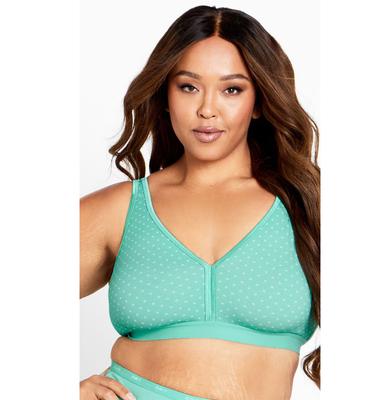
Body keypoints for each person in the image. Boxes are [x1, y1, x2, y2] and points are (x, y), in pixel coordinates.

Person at [80, 5, 320, 400]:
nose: (207, 109)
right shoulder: (121, 210)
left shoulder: (307, 206)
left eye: (232, 89)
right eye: (188, 87)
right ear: (166, 95)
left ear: (259, 102)